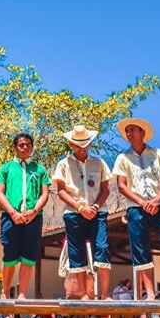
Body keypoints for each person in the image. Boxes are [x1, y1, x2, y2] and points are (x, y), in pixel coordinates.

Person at [114, 118, 160, 301]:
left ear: (142, 132)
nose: (130, 134)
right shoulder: (122, 158)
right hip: (135, 208)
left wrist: (156, 199)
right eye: (127, 131)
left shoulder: (158, 154)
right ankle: (150, 293)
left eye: (133, 130)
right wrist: (142, 202)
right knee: (140, 248)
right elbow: (121, 186)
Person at [52, 125, 112, 300]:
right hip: (73, 212)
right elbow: (61, 191)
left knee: (102, 247)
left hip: (98, 211)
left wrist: (95, 207)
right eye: (78, 144)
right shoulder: (63, 164)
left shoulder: (99, 163)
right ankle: (84, 294)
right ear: (71, 144)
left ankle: (105, 294)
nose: (82, 148)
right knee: (76, 252)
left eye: (85, 144)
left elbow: (106, 189)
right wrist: (80, 207)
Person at [0, 133, 51, 299]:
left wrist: (34, 211)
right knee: (9, 255)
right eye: (21, 145)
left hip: (33, 218)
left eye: (28, 144)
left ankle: (22, 294)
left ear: (32, 147)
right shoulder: (6, 168)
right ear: (15, 147)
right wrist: (12, 212)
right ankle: (5, 291)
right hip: (10, 217)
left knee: (28, 257)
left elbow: (45, 194)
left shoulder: (40, 169)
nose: (25, 147)